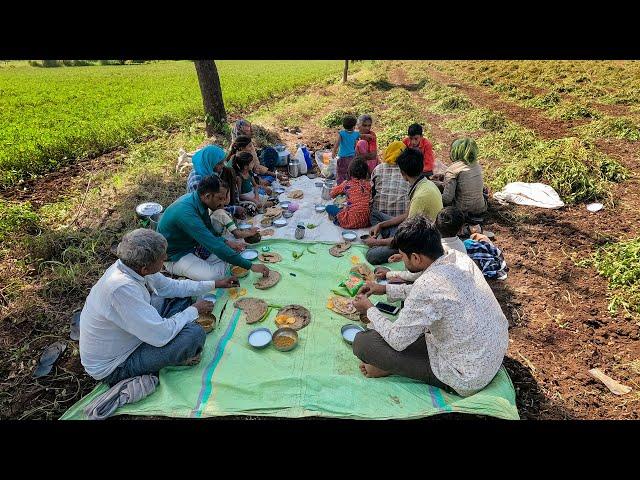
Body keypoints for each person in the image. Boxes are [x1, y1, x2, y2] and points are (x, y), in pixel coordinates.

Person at [351, 215, 509, 397]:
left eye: (403, 257)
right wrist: (384, 289)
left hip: (467, 375)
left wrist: (369, 309)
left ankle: (389, 366)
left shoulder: (427, 285)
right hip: (490, 351)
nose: (403, 261)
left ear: (416, 257)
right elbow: (432, 295)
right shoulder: (458, 257)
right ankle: (392, 363)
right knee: (411, 326)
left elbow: (397, 340)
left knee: (363, 343)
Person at [79, 229, 241, 386]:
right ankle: (177, 357)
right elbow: (161, 335)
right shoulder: (121, 289)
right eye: (162, 259)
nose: (166, 258)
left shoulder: (132, 266)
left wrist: (215, 283)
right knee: (194, 334)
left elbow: (171, 287)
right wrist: (194, 310)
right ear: (145, 268)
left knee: (176, 296)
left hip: (136, 333)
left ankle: (175, 328)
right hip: (117, 364)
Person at [157, 175, 271, 281]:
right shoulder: (186, 213)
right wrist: (251, 266)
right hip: (176, 256)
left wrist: (226, 242)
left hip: (193, 246)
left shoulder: (199, 201)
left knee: (231, 255)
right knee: (216, 276)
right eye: (220, 199)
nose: (223, 204)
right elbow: (213, 243)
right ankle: (172, 269)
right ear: (207, 196)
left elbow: (211, 232)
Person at [364, 147, 443, 265]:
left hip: (420, 241)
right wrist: (381, 224)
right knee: (375, 214)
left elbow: (409, 237)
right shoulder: (425, 184)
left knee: (371, 256)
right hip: (413, 229)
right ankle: (388, 236)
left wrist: (377, 243)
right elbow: (407, 215)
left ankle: (388, 240)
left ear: (402, 173)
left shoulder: (420, 196)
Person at [376, 206, 467, 283]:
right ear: (460, 230)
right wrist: (402, 256)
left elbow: (415, 276)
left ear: (435, 224)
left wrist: (389, 274)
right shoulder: (461, 245)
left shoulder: (438, 250)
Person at [440, 137, 488, 219]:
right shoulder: (477, 165)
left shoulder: (453, 169)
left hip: (461, 212)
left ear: (455, 152)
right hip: (481, 208)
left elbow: (447, 199)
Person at [325, 158, 371, 229]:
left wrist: (340, 189)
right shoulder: (368, 184)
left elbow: (332, 194)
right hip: (366, 220)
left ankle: (338, 219)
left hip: (351, 220)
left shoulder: (347, 184)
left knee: (328, 208)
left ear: (350, 171)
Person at [370, 141, 410, 219]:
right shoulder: (408, 170)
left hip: (379, 217)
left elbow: (371, 192)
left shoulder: (378, 168)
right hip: (401, 217)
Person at [332, 115, 360, 184]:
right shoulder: (356, 134)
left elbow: (337, 143)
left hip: (342, 157)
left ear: (344, 126)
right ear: (354, 126)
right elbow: (356, 146)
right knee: (350, 173)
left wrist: (334, 152)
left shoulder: (342, 133)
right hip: (352, 158)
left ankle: (340, 187)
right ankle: (349, 186)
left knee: (341, 173)